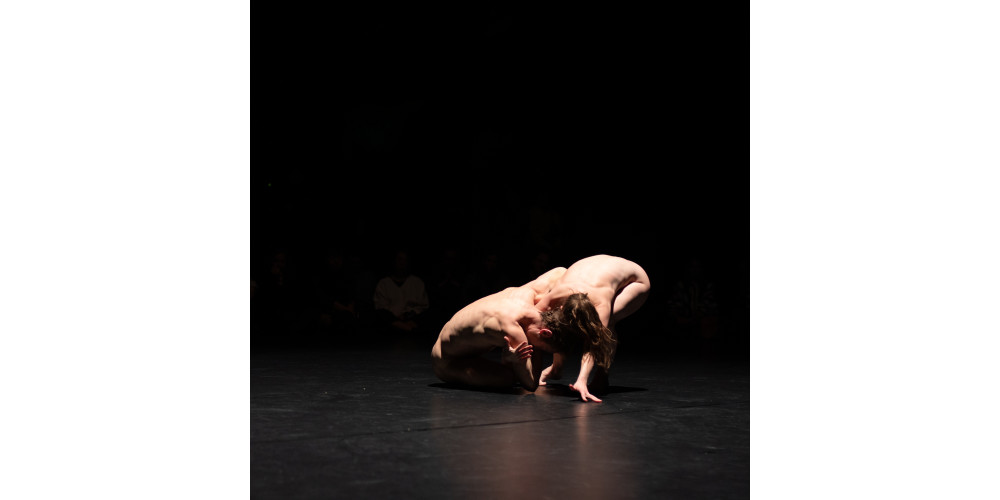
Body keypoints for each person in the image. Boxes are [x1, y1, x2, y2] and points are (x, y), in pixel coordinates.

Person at [431, 267, 574, 391]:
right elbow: (531, 384)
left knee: (516, 362)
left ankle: (514, 358)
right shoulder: (513, 328)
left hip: (452, 346)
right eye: (543, 348)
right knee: (507, 378)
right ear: (545, 332)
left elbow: (559, 271)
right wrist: (517, 360)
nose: (537, 350)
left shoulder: (525, 296)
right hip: (446, 363)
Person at [533, 254, 651, 403]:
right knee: (556, 323)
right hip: (599, 269)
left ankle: (602, 374)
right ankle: (556, 369)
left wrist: (582, 380)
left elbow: (595, 341)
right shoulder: (557, 293)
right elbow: (533, 321)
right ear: (562, 307)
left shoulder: (602, 304)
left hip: (636, 280)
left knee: (609, 323)